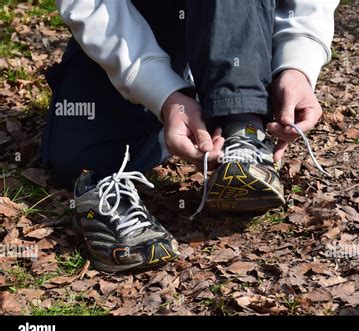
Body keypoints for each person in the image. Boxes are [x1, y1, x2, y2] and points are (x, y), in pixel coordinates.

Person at [41, 0, 339, 272]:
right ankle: (183, 110)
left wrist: (298, 65)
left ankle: (242, 129)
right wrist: (165, 95)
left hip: (238, 21)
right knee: (80, 159)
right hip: (131, 22)